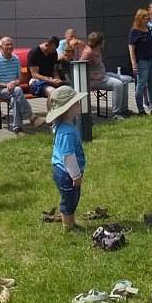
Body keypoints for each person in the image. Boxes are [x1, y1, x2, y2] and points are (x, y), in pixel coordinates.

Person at [48, 85, 88, 233]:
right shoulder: (67, 132)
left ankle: (70, 222)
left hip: (64, 171)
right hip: (65, 173)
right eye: (76, 103)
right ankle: (68, 227)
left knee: (73, 198)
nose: (79, 105)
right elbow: (68, 157)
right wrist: (76, 175)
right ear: (68, 108)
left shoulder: (64, 126)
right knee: (69, 200)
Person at [0, 37, 44, 134]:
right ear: (1, 47)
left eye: (11, 44)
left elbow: (21, 78)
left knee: (15, 98)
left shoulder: (16, 59)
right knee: (17, 91)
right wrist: (6, 85)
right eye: (7, 45)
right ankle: (31, 116)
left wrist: (15, 83)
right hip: (0, 90)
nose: (10, 46)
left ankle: (18, 128)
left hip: (14, 90)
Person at [79, 32, 131, 119]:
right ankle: (116, 113)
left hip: (103, 75)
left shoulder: (97, 49)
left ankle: (124, 109)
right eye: (102, 40)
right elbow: (80, 69)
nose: (104, 41)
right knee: (118, 84)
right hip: (93, 80)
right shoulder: (87, 53)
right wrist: (93, 76)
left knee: (125, 80)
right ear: (98, 42)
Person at [128, 8, 152, 115]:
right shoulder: (134, 32)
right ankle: (141, 110)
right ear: (140, 18)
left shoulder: (148, 30)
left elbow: (150, 42)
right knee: (141, 85)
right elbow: (131, 49)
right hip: (142, 62)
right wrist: (134, 64)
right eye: (146, 17)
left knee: (151, 84)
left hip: (151, 60)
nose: (148, 19)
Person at [27, 36, 65, 103]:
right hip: (36, 82)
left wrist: (57, 78)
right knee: (52, 92)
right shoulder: (34, 53)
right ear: (46, 45)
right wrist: (50, 81)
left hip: (50, 80)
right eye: (52, 49)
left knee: (66, 90)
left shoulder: (54, 53)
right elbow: (35, 74)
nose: (54, 51)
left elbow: (54, 70)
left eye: (55, 49)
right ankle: (53, 112)